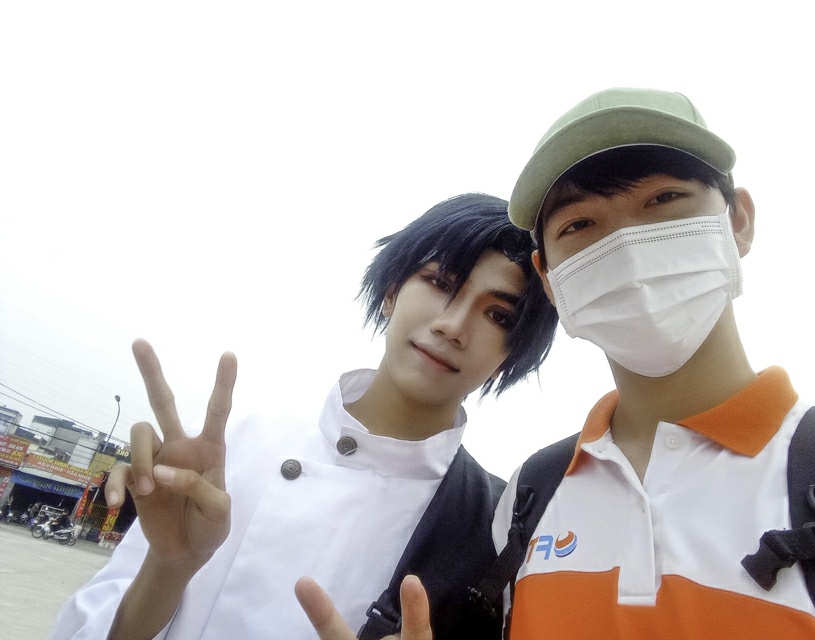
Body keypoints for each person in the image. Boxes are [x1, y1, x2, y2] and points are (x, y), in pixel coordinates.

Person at [50, 193, 557, 640]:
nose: (453, 326)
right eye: (440, 282)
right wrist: (168, 566)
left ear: (511, 355)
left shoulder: (490, 526)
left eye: (498, 315)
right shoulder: (241, 444)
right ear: (391, 291)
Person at [489, 87, 815, 638]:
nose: (627, 245)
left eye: (663, 198)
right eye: (579, 225)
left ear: (738, 220)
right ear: (548, 278)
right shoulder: (527, 497)